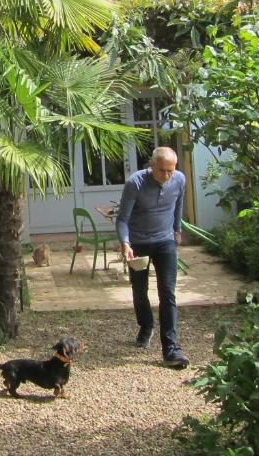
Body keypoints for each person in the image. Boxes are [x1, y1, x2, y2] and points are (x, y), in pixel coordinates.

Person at [115, 146, 189, 369]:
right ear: (151, 166)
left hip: (165, 241)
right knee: (139, 289)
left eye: (171, 170)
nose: (167, 176)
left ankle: (170, 348)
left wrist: (177, 230)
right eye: (162, 171)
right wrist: (125, 243)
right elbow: (122, 219)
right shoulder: (135, 183)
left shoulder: (179, 179)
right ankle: (146, 326)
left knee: (168, 292)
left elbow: (178, 205)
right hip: (138, 243)